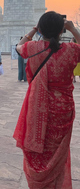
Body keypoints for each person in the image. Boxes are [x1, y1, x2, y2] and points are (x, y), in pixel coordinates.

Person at [14, 12, 80, 188]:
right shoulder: (71, 50)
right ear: (61, 31)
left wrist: (34, 30)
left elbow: (18, 47)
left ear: (41, 29)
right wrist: (73, 29)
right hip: (63, 109)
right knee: (58, 150)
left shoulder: (33, 47)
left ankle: (39, 182)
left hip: (37, 109)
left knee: (39, 147)